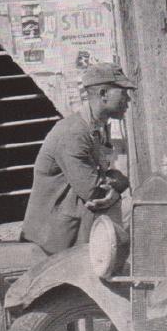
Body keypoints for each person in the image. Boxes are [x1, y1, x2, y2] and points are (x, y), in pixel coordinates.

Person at [21, 62, 134, 255]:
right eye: (123, 92)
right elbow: (94, 191)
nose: (128, 99)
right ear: (103, 93)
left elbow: (103, 177)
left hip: (74, 227)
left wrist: (116, 182)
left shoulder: (96, 126)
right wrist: (120, 183)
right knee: (134, 211)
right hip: (54, 242)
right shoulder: (74, 133)